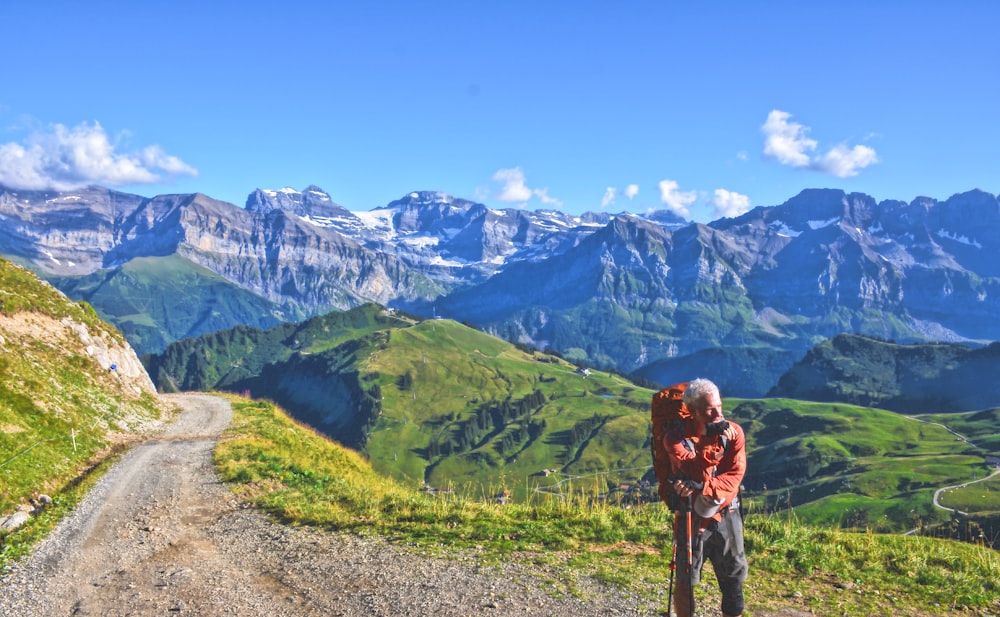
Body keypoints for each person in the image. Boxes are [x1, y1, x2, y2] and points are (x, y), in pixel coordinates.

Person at [665, 378, 747, 617]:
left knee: (733, 578)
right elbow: (694, 470)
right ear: (692, 411)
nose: (717, 413)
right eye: (709, 409)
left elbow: (735, 475)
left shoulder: (734, 432)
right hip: (689, 513)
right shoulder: (675, 438)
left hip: (726, 511)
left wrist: (704, 487)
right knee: (685, 577)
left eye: (719, 406)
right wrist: (708, 441)